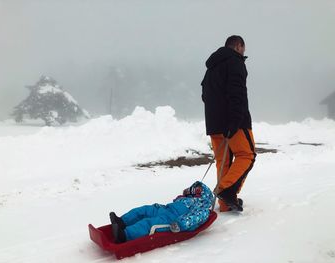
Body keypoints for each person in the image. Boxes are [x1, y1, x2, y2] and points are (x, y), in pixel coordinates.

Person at [201, 35, 256, 212]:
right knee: (247, 155)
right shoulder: (235, 62)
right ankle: (225, 191)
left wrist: (217, 116)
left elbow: (205, 95)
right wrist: (234, 121)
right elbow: (237, 94)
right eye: (243, 49)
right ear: (239, 46)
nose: (243, 52)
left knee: (222, 162)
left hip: (214, 123)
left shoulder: (211, 68)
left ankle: (225, 205)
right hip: (234, 122)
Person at [109, 181, 214, 243]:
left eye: (198, 190)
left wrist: (180, 224)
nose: (194, 190)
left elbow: (195, 217)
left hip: (172, 220)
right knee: (145, 210)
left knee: (149, 223)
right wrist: (160, 207)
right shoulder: (186, 198)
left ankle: (125, 235)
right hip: (165, 210)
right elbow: (173, 204)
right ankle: (122, 221)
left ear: (204, 195)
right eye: (194, 188)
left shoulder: (202, 208)